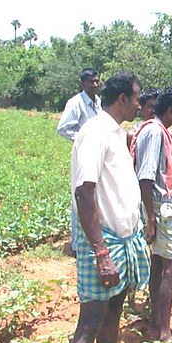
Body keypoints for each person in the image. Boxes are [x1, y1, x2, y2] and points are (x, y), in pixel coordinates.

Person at [67, 73, 149, 343]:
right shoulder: (95, 132)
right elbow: (84, 193)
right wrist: (101, 252)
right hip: (102, 241)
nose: (139, 104)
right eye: (135, 98)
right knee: (90, 321)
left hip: (121, 236)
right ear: (120, 99)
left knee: (113, 314)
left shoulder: (117, 132)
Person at [134, 87, 172, 341]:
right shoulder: (156, 133)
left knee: (158, 265)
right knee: (171, 268)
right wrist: (150, 218)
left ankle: (156, 325)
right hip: (161, 208)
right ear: (171, 110)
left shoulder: (157, 131)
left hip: (159, 208)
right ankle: (163, 332)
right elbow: (145, 177)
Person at [58, 68, 102, 247]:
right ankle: (77, 244)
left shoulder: (98, 102)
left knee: (95, 194)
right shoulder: (75, 103)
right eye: (91, 81)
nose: (95, 84)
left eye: (97, 81)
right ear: (83, 83)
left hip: (99, 152)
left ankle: (92, 238)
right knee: (81, 193)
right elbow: (63, 128)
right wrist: (83, 139)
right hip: (83, 152)